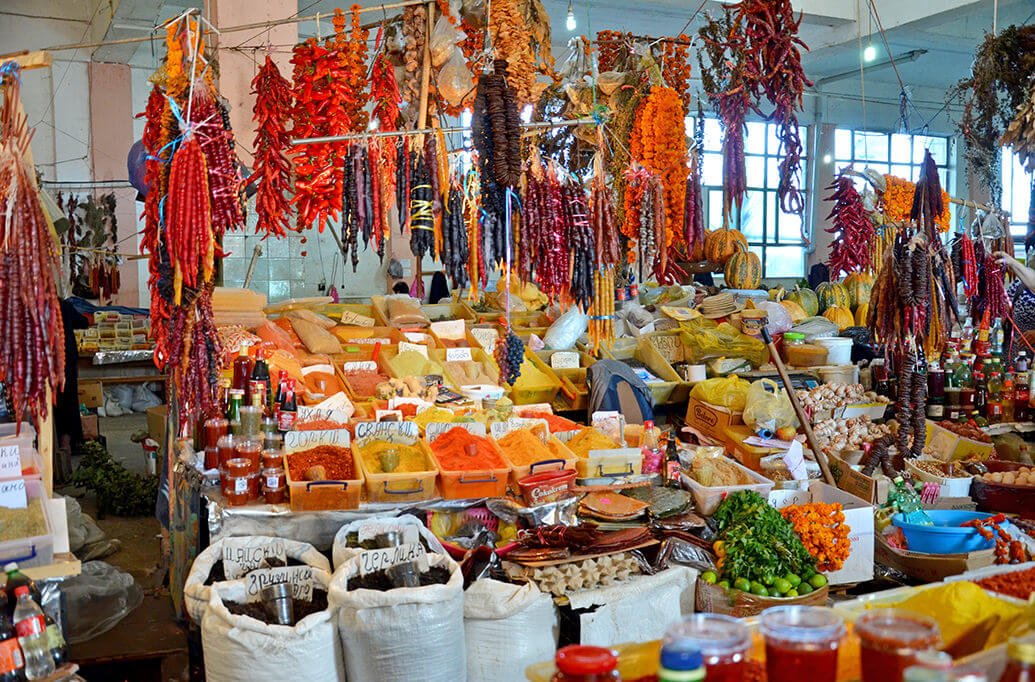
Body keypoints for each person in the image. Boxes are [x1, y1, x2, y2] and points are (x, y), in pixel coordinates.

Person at [55, 298, 89, 483]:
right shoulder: (64, 305)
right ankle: (68, 443)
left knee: (56, 404)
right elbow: (81, 321)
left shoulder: (36, 306)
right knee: (68, 401)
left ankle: (60, 444)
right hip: (66, 362)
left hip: (50, 364)